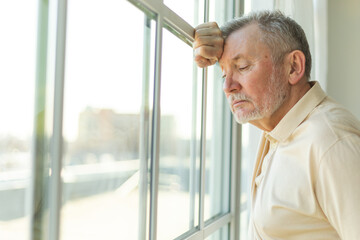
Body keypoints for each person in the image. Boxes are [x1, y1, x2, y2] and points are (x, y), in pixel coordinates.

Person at [193, 10, 360, 240]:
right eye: (224, 74)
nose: (228, 86)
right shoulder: (277, 130)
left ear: (293, 67)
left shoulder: (331, 142)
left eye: (241, 67)